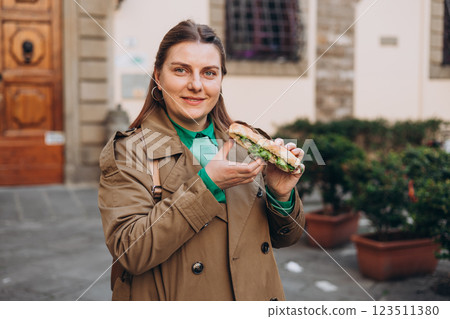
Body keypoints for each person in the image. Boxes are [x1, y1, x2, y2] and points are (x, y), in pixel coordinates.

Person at [98, 20, 306, 301]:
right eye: (181, 70)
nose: (196, 85)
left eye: (209, 73)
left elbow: (285, 238)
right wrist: (207, 185)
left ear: (221, 80)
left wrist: (280, 194)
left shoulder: (249, 144)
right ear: (158, 76)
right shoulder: (129, 150)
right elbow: (130, 252)